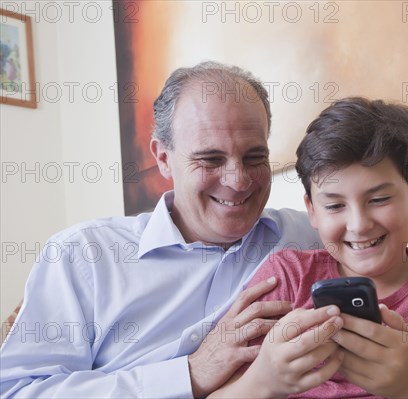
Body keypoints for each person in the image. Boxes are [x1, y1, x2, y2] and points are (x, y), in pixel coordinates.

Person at [0, 61, 323, 398]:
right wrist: (192, 371)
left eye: (255, 157)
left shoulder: (313, 236)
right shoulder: (83, 256)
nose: (238, 180)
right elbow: (18, 391)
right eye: (211, 160)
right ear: (163, 158)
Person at [210, 97, 408, 398]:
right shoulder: (287, 277)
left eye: (378, 200)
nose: (359, 224)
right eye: (335, 205)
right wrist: (263, 381)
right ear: (312, 211)